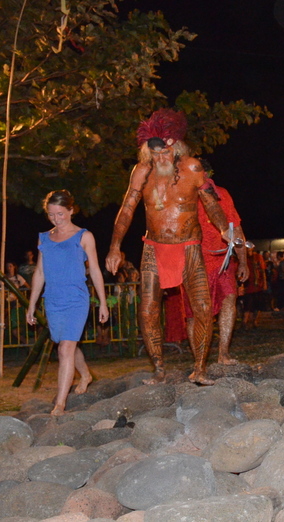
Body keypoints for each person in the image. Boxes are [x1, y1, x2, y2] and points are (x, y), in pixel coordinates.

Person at [104, 108, 231, 385]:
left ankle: (200, 368)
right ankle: (160, 370)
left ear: (176, 147)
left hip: (189, 246)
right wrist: (115, 246)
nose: (160, 158)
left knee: (201, 306)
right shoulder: (141, 172)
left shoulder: (192, 168)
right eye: (155, 153)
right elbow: (127, 209)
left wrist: (224, 229)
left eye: (165, 152)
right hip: (154, 246)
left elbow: (211, 203)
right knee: (148, 309)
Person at [26, 190, 109, 416]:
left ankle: (60, 404)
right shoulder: (44, 238)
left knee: (65, 348)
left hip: (76, 299)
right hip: (52, 300)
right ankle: (86, 375)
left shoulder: (84, 236)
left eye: (60, 214)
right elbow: (40, 272)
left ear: (71, 210)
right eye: (51, 215)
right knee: (67, 345)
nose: (56, 219)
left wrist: (102, 302)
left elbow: (94, 270)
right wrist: (31, 304)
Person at [183, 170, 249, 364]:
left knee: (230, 298)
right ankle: (199, 361)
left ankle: (223, 354)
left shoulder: (221, 194)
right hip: (192, 262)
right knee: (195, 313)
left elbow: (235, 227)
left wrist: (243, 260)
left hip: (223, 259)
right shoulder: (182, 197)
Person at [241, 246, 267, 329]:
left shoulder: (258, 257)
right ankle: (245, 322)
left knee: (257, 304)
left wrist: (265, 283)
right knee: (247, 304)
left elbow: (263, 271)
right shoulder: (243, 258)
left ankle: (254, 321)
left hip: (258, 284)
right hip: (248, 285)